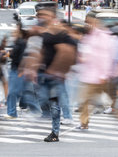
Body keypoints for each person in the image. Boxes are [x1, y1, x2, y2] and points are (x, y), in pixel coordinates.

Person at [21, 8, 77, 142]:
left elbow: (66, 52)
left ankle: (55, 131)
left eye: (44, 15)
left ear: (52, 17)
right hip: (45, 74)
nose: (41, 17)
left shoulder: (60, 33)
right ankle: (54, 128)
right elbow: (41, 52)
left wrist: (57, 70)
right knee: (47, 100)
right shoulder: (44, 34)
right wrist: (33, 67)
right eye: (39, 15)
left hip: (55, 75)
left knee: (54, 104)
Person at [76, 12, 116, 130]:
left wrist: (104, 74)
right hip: (89, 75)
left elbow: (106, 56)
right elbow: (85, 54)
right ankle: (84, 122)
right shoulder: (88, 37)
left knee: (113, 98)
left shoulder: (103, 36)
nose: (87, 24)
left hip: (101, 75)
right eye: (86, 22)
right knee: (84, 100)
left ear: (95, 21)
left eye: (89, 22)